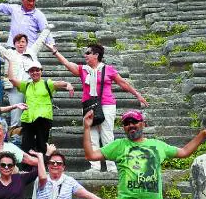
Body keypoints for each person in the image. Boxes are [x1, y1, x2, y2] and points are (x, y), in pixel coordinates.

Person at [83, 109, 206, 199]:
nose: (131, 125)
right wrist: (87, 128)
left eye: (134, 121)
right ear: (124, 127)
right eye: (127, 123)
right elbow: (90, 155)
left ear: (143, 124)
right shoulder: (118, 145)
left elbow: (184, 152)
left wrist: (202, 134)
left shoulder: (157, 145)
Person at [46, 43, 149, 172]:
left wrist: (137, 94)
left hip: (107, 104)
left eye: (88, 53)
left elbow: (122, 83)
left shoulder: (108, 69)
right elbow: (67, 64)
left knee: (107, 134)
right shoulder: (83, 69)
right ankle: (95, 166)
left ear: (96, 55)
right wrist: (55, 51)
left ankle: (111, 166)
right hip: (89, 104)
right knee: (92, 135)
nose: (86, 55)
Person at [8, 61, 74, 155]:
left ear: (41, 71)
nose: (35, 73)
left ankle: (43, 165)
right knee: (26, 145)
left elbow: (60, 83)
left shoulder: (47, 83)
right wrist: (10, 62)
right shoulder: (26, 85)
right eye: (32, 71)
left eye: (37, 70)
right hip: (28, 118)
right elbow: (11, 80)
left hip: (43, 118)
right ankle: (28, 168)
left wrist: (68, 85)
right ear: (29, 73)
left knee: (42, 145)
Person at [0, 32, 37, 128]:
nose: (20, 44)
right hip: (14, 88)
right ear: (14, 44)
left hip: (30, 87)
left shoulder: (31, 53)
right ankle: (15, 135)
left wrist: (47, 29)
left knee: (31, 111)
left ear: (26, 43)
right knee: (16, 113)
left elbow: (40, 42)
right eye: (18, 42)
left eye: (23, 42)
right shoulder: (9, 53)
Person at [34, 146, 106, 199]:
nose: (55, 165)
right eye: (52, 162)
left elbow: (87, 195)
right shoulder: (41, 179)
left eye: (59, 163)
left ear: (63, 167)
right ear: (48, 166)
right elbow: (42, 177)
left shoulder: (69, 181)